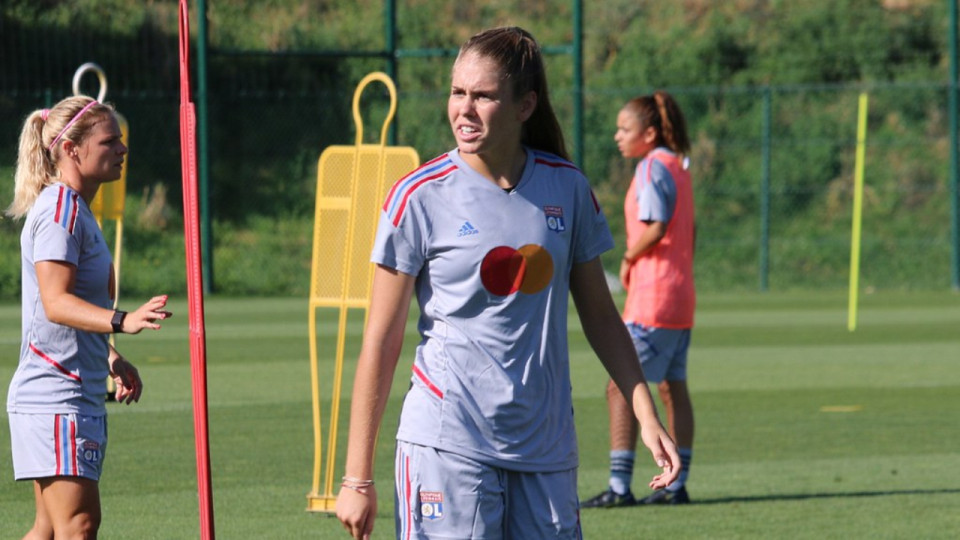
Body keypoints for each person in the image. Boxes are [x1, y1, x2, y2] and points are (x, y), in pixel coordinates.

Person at [335, 27, 680, 540]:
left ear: (525, 106)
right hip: (446, 441)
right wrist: (356, 477)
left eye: (483, 95)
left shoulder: (567, 187)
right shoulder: (418, 197)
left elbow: (601, 318)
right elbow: (381, 341)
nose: (464, 109)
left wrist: (644, 409)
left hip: (546, 449)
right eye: (457, 92)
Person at [6, 95, 172, 539]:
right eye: (110, 140)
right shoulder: (60, 209)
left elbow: (64, 312)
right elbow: (56, 302)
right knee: (77, 525)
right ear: (72, 149)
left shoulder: (78, 209)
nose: (122, 149)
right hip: (55, 396)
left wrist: (112, 357)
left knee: (49, 528)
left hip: (69, 393)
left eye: (120, 140)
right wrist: (122, 319)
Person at [581, 91, 696, 508]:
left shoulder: (650, 168)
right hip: (681, 295)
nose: (617, 136)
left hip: (654, 297)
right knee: (672, 387)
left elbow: (657, 225)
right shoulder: (679, 166)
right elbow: (689, 232)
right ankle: (677, 483)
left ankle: (618, 486)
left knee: (620, 386)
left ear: (648, 134)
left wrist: (629, 257)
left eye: (624, 129)